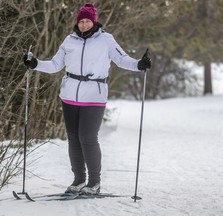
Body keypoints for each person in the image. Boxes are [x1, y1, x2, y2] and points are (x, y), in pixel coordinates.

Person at [23, 3, 151, 195]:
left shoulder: (106, 40)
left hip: (94, 95)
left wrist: (139, 64)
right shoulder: (69, 41)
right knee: (74, 139)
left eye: (87, 21)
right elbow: (55, 65)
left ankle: (94, 182)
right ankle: (79, 179)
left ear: (94, 21)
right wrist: (35, 64)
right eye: (81, 21)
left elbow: (122, 59)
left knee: (88, 138)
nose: (83, 24)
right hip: (69, 96)